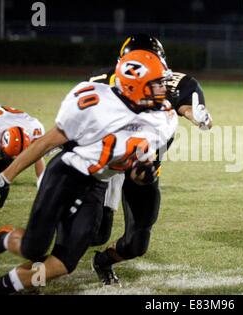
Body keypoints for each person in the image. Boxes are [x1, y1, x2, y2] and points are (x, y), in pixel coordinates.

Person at [0, 49, 178, 295]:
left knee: (63, 264)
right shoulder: (93, 102)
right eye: (156, 84)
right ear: (133, 86)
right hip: (66, 175)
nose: (163, 89)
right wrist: (4, 177)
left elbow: (137, 166)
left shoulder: (163, 117)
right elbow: (45, 143)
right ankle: (0, 239)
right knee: (33, 248)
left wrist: (144, 174)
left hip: (97, 184)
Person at [87, 34, 213, 285]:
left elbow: (187, 106)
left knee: (136, 243)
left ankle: (103, 261)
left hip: (142, 169)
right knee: (94, 232)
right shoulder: (101, 82)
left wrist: (197, 115)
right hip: (106, 163)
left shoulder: (174, 83)